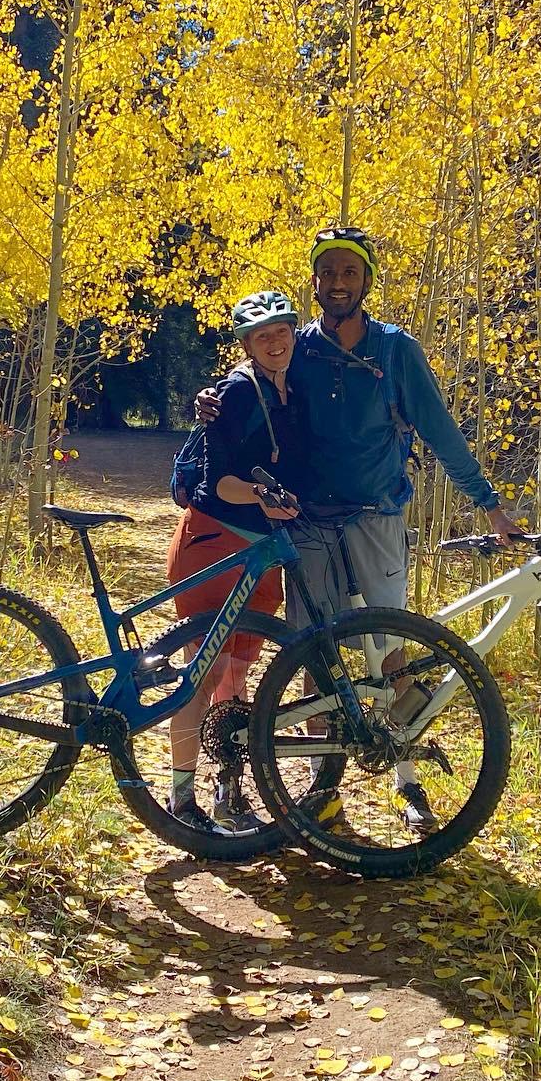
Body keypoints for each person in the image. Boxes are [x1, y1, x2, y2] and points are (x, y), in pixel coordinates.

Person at [196, 227, 520, 832]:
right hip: (311, 522)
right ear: (314, 282)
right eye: (328, 272)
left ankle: (407, 777)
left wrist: (489, 504)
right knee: (313, 651)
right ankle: (324, 787)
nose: (339, 282)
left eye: (350, 271)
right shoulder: (301, 348)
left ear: (367, 280)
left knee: (386, 646)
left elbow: (439, 430)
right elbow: (254, 388)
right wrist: (210, 401)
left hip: (376, 514)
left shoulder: (396, 351)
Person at [164, 289, 303, 833]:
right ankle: (181, 799)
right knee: (205, 671)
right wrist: (262, 496)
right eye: (262, 335)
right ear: (246, 344)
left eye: (282, 331)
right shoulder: (238, 393)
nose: (275, 342)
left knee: (237, 672)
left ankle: (227, 787)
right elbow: (215, 480)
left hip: (262, 552)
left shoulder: (292, 385)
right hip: (216, 541)